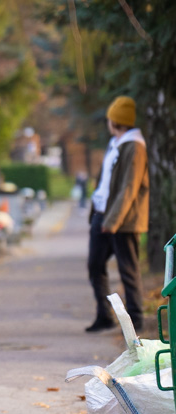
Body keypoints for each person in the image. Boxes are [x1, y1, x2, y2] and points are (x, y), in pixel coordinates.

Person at [86, 96, 149, 333]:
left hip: (124, 221)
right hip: (103, 216)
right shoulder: (117, 143)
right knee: (95, 265)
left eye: (110, 119)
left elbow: (129, 187)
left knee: (128, 270)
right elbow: (106, 183)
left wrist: (113, 220)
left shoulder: (135, 146)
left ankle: (136, 321)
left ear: (116, 121)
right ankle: (104, 315)